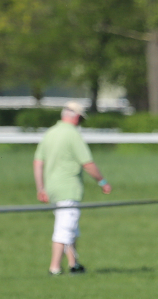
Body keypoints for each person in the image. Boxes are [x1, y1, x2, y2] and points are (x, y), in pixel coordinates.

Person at [33, 101, 111, 275]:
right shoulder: (72, 135)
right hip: (68, 188)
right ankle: (54, 268)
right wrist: (102, 181)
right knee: (64, 228)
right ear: (76, 117)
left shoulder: (50, 133)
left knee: (71, 227)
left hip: (52, 188)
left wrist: (41, 188)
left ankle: (73, 263)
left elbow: (38, 162)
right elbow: (87, 163)